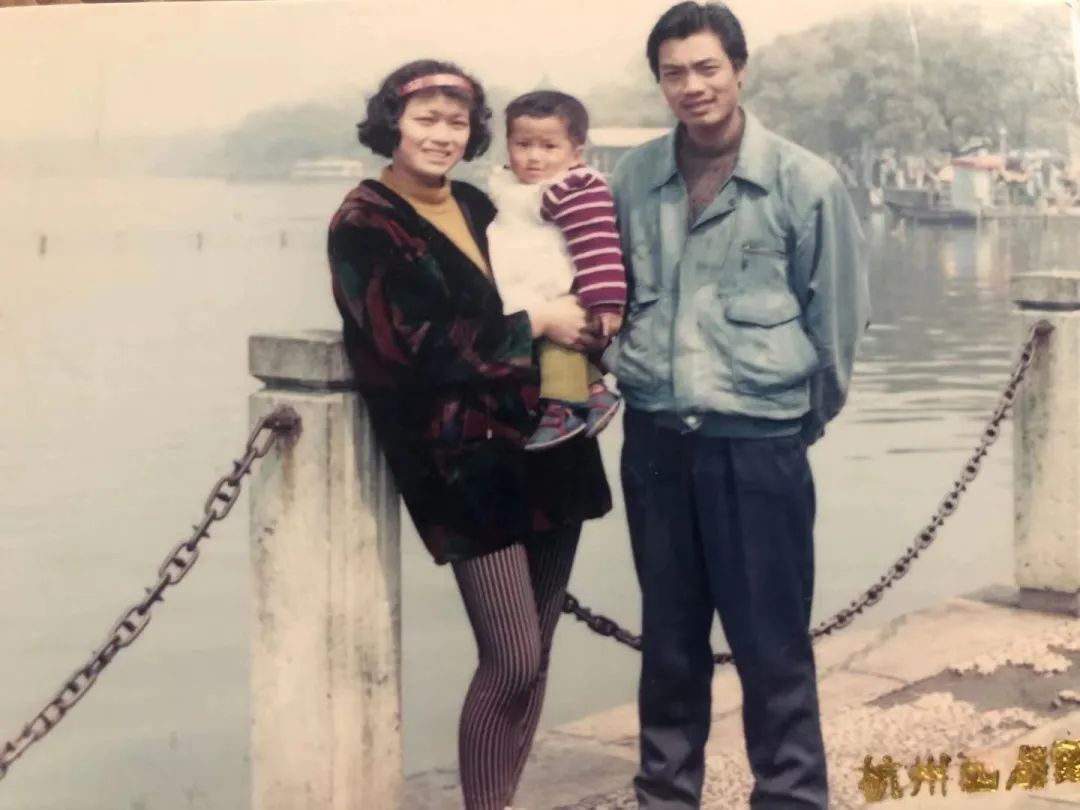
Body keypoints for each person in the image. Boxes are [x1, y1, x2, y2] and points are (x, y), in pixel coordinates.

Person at [603, 3, 871, 808]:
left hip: (757, 446)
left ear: (740, 70)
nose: (692, 86)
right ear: (659, 83)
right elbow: (610, 297)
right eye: (673, 73)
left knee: (771, 643)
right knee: (668, 643)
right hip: (656, 442)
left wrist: (787, 422)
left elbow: (837, 324)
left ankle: (790, 796)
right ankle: (664, 796)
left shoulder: (804, 181)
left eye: (707, 68)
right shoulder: (633, 180)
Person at [326, 59, 612, 810]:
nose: (442, 135)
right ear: (391, 123)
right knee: (510, 658)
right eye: (426, 119)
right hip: (460, 462)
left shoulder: (484, 203)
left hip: (548, 437)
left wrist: (588, 324)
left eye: (457, 122)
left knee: (537, 653)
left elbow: (566, 260)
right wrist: (535, 323)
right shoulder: (365, 222)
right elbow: (407, 345)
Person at [486, 90, 627, 450]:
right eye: (523, 145)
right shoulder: (511, 185)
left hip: (556, 283)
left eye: (549, 147)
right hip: (531, 278)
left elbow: (597, 244)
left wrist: (605, 301)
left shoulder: (572, 187)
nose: (534, 157)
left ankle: (563, 406)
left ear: (575, 153)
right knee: (545, 334)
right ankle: (594, 391)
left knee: (556, 341)